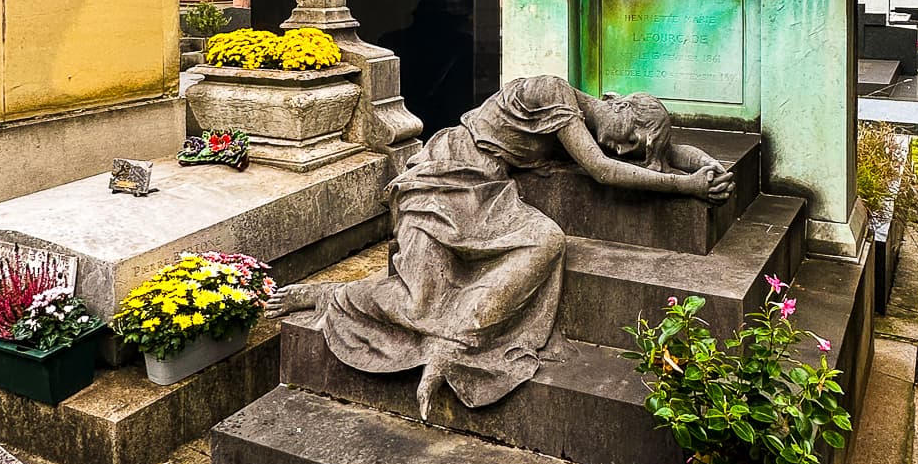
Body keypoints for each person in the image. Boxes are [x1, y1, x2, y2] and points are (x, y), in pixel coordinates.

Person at [267, 74, 734, 417]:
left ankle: (458, 340)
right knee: (419, 298)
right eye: (629, 141)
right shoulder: (552, 94)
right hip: (447, 175)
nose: (621, 150)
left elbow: (673, 154)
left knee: (546, 239)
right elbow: (604, 170)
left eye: (633, 150)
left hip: (490, 190)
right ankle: (330, 295)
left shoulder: (592, 124)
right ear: (620, 108)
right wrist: (684, 188)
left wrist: (709, 168)